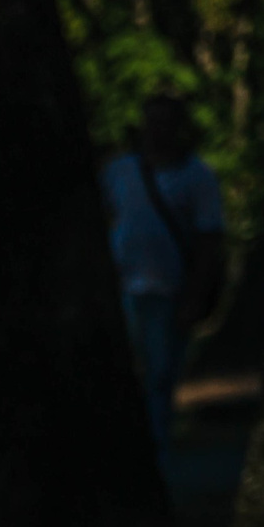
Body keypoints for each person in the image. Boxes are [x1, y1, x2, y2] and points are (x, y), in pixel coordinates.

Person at [101, 92, 226, 452]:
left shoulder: (197, 176)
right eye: (151, 122)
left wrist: (194, 297)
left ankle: (155, 449)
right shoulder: (120, 170)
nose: (156, 130)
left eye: (164, 122)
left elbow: (208, 240)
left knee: (158, 377)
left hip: (169, 292)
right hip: (124, 288)